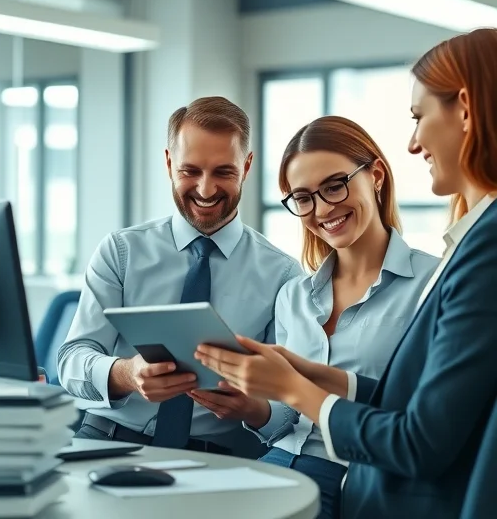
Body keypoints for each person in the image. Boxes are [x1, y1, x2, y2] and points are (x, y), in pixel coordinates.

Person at [196, 28, 497, 518]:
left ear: (464, 108)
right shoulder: (295, 291)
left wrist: (297, 387)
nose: (414, 142)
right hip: (285, 463)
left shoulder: (474, 251)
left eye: (419, 116)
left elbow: (420, 436)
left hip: (370, 481)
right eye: (303, 197)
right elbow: (418, 400)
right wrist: (301, 375)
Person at [186, 116, 438, 519]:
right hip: (275, 467)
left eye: (334, 186)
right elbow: (286, 422)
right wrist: (252, 408)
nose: (322, 209)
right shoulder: (294, 296)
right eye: (303, 198)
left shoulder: (433, 283)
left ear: (375, 175)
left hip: (358, 478)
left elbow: (426, 413)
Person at [57, 96, 301, 457]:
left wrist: (255, 409)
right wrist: (127, 374)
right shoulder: (120, 252)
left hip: (218, 454)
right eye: (190, 171)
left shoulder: (282, 274)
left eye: (224, 172)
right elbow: (72, 358)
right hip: (109, 438)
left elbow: (293, 402)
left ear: (246, 167)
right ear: (169, 163)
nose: (205, 190)